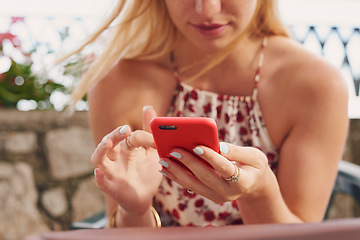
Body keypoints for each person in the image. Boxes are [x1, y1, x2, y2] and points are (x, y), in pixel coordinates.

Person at [65, 0, 349, 227]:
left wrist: (259, 192)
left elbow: (302, 236)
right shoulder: (118, 83)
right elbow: (126, 231)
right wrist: (134, 208)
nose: (207, 9)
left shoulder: (315, 85)